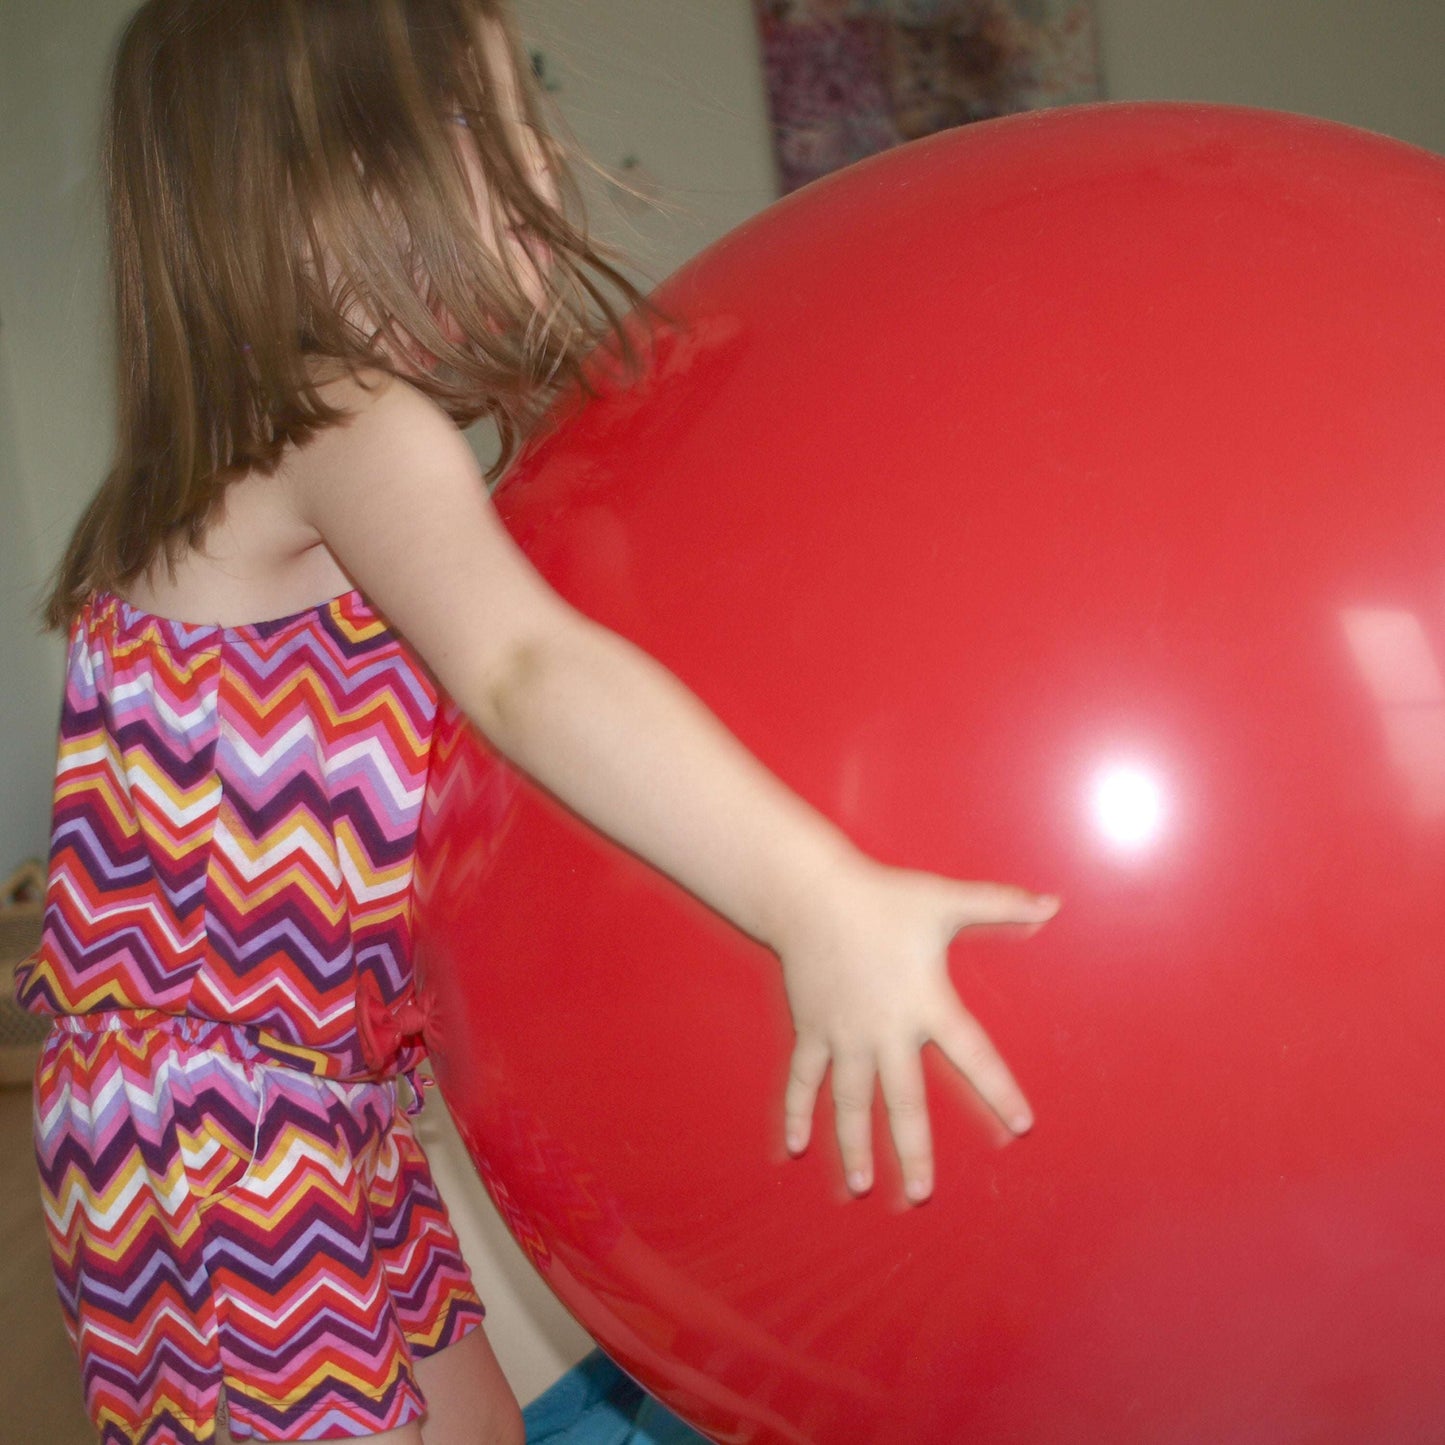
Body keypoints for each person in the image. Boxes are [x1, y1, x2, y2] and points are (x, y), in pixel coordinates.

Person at [16, 1, 1059, 1441]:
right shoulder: (345, 423)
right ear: (314, 186)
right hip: (227, 1124)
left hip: (265, 1107)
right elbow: (523, 672)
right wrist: (815, 893)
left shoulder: (230, 460)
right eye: (474, 124)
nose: (540, 167)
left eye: (530, 109)